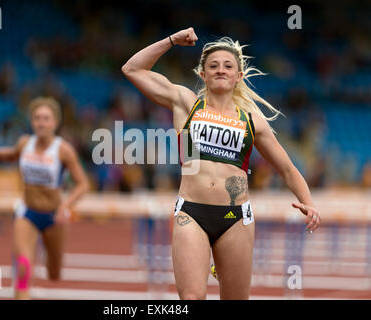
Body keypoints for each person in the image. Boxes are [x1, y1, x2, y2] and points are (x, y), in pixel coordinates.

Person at [121, 27, 321, 300]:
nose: (220, 70)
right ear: (203, 74)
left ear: (238, 76)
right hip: (191, 213)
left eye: (228, 66)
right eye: (213, 66)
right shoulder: (186, 103)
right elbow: (132, 69)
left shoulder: (251, 120)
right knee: (191, 297)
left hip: (235, 218)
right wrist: (171, 40)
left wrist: (307, 201)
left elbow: (287, 168)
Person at [0, 97, 90, 299]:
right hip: (27, 213)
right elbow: (11, 155)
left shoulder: (63, 150)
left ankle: (49, 263)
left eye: (46, 118)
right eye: (37, 118)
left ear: (55, 122)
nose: (41, 123)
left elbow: (83, 184)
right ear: (31, 121)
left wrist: (66, 206)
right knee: (23, 266)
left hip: (54, 217)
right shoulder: (24, 143)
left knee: (54, 273)